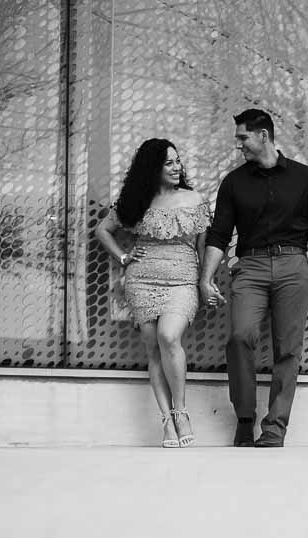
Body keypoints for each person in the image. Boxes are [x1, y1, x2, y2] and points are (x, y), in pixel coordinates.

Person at [199, 109, 308, 447]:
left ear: (263, 136)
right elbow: (219, 234)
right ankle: (245, 418)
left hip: (294, 267)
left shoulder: (304, 177)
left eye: (242, 138)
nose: (239, 146)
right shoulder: (234, 182)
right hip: (251, 267)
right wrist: (205, 277)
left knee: (287, 349)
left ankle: (275, 427)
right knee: (240, 337)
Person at [94, 138, 211, 448]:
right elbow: (103, 231)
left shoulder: (195, 200)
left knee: (169, 337)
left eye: (178, 161)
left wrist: (205, 281)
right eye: (168, 162)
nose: (177, 167)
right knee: (153, 350)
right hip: (142, 281)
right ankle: (166, 421)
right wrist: (122, 257)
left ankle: (181, 411)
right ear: (152, 168)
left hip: (182, 280)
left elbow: (203, 247)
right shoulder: (135, 201)